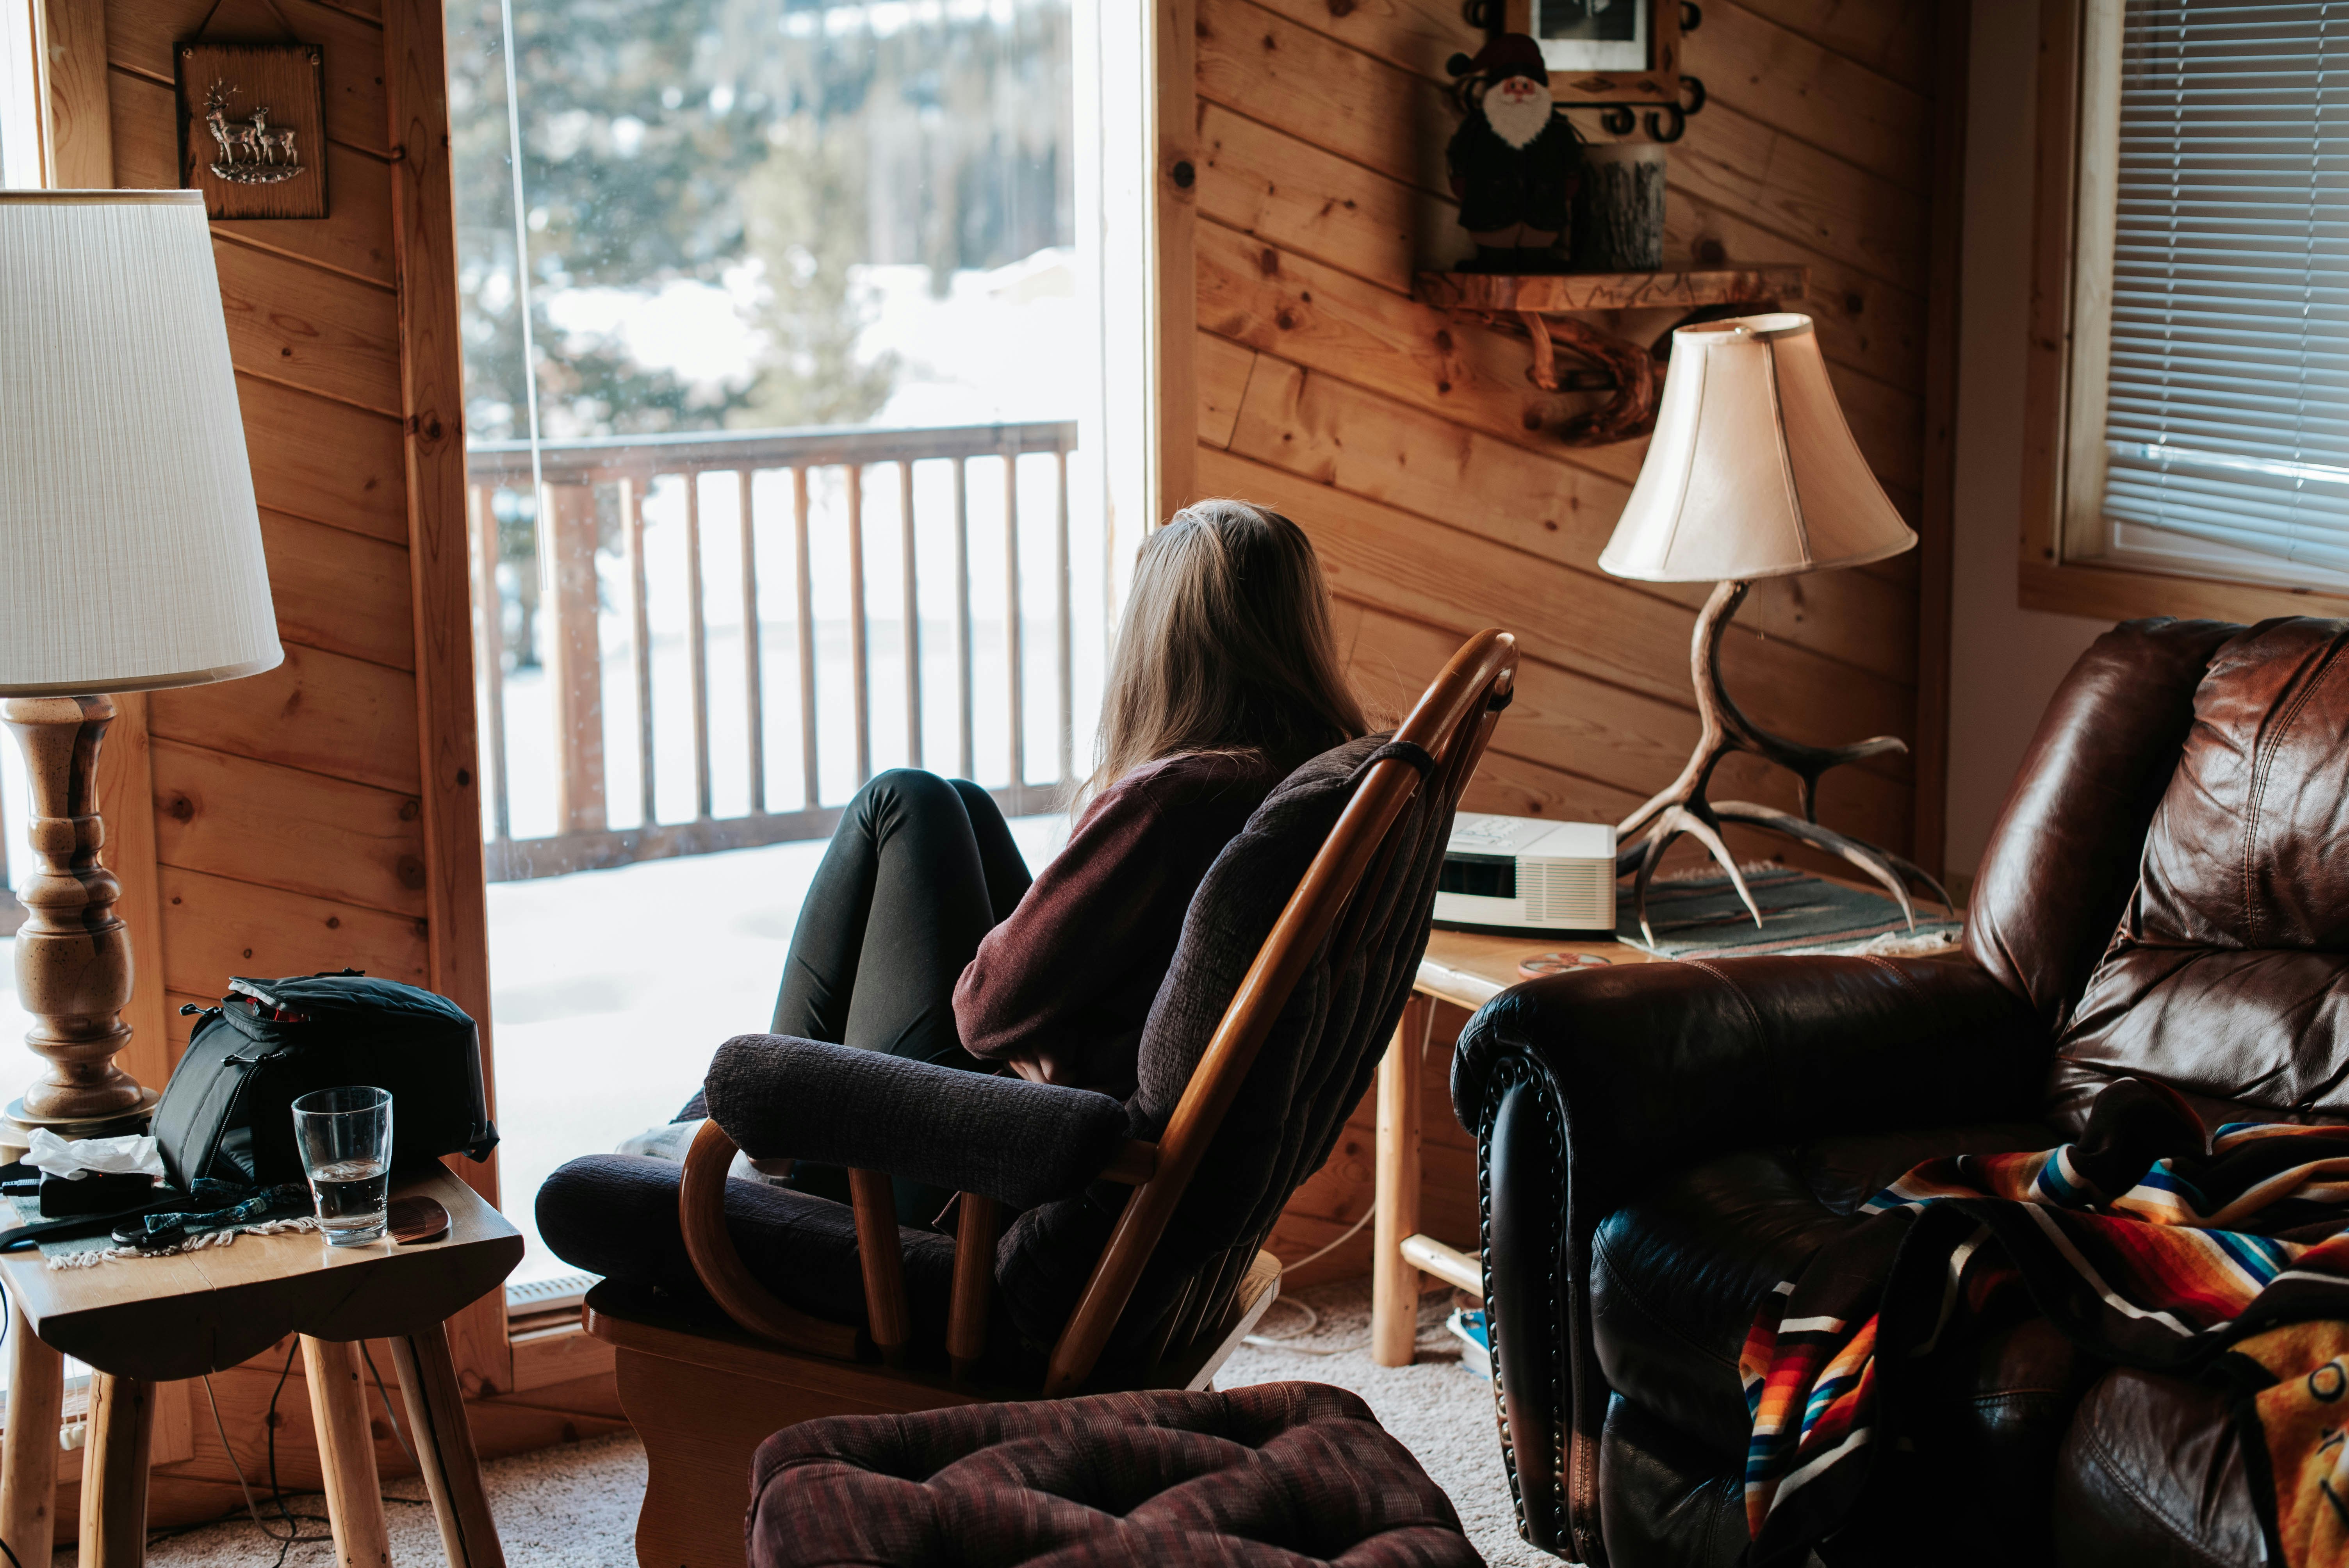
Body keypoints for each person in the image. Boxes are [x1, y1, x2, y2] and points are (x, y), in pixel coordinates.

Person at [747, 498, 1368, 1221]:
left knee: (903, 801)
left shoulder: (1173, 800)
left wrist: (1025, 1025)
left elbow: (983, 1014)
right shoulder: (1314, 778)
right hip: (1077, 1114)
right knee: (964, 806)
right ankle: (782, 1118)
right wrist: (1047, 1030)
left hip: (999, 1157)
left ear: (1161, 642)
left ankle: (771, 1128)